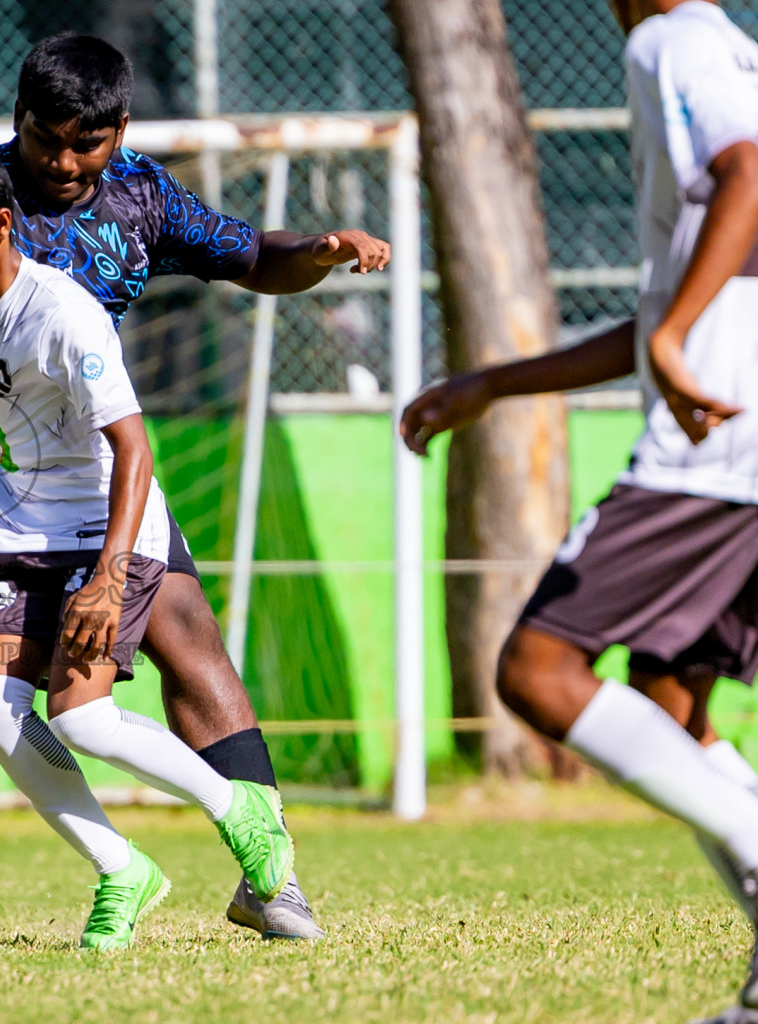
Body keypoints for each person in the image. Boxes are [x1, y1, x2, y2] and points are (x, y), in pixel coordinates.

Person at [0, 33, 390, 939]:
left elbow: (254, 254)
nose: (63, 161)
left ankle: (271, 873)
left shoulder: (140, 193)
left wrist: (323, 250)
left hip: (77, 469)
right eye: (45, 137)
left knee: (186, 633)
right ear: (15, 119)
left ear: (119, 130)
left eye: (85, 143)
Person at [400, 2, 758, 1019]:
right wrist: (500, 382)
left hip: (718, 436)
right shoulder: (736, 48)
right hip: (742, 424)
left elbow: (748, 179)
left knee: (538, 670)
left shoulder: (670, 42)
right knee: (673, 698)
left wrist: (677, 341)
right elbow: (678, 292)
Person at [0, 141, 293, 950]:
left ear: (1, 225)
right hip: (27, 537)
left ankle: (236, 804)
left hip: (109, 532)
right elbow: (3, 437)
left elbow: (133, 450)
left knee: (83, 717)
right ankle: (122, 871)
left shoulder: (65, 314)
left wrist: (108, 579)